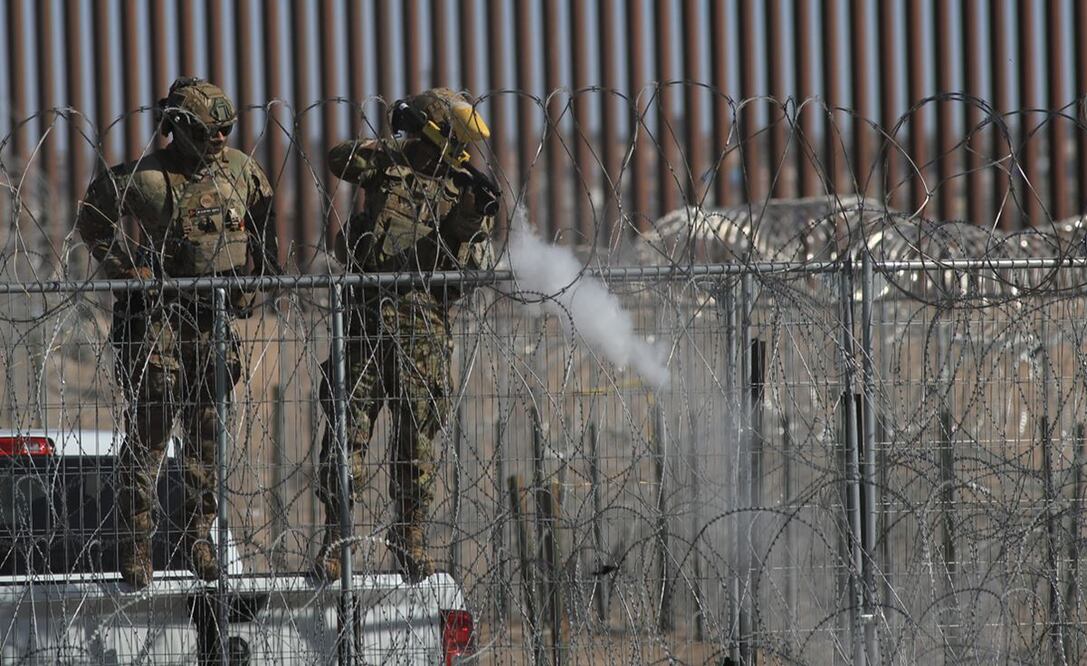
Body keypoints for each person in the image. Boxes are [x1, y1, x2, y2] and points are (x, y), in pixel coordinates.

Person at [76, 77, 277, 588]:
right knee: (151, 431)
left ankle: (198, 540)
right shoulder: (146, 179)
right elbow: (93, 216)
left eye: (226, 131)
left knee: (207, 437)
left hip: (213, 320)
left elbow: (265, 215)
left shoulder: (239, 171)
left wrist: (259, 278)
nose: (220, 140)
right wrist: (128, 270)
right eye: (211, 131)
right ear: (181, 128)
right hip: (161, 321)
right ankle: (138, 544)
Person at [314, 88, 497, 582]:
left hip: (423, 329)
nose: (459, 153)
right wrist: (394, 146)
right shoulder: (386, 166)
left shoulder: (467, 192)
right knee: (346, 440)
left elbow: (475, 269)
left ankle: (409, 538)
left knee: (416, 447)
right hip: (366, 324)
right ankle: (336, 540)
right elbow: (338, 160)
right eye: (452, 140)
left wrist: (466, 222)